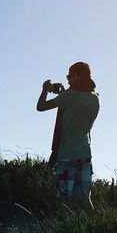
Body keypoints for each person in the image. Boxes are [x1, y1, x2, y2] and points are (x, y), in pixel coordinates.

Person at [36, 61, 99, 209]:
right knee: (85, 199)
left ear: (76, 76)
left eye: (69, 76)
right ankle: (91, 228)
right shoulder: (95, 98)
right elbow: (75, 105)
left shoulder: (68, 96)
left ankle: (65, 229)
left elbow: (40, 107)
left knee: (64, 199)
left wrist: (45, 89)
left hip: (66, 155)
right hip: (85, 154)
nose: (68, 80)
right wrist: (64, 93)